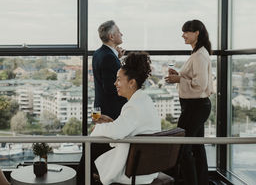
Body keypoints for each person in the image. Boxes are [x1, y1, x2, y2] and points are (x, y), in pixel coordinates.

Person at [78, 52, 161, 185]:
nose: (115, 83)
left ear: (131, 83)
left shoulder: (133, 106)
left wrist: (99, 127)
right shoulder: (144, 100)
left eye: (118, 79)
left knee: (91, 150)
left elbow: (117, 132)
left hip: (135, 171)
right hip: (146, 167)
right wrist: (112, 123)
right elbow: (129, 128)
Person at [165, 19, 213, 185]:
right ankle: (201, 182)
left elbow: (200, 85)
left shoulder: (199, 55)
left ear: (197, 33)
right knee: (196, 147)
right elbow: (195, 79)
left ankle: (190, 182)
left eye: (186, 32)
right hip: (196, 105)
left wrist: (178, 78)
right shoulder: (197, 53)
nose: (183, 35)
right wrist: (179, 75)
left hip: (195, 106)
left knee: (183, 147)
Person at [93, 20, 127, 120]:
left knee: (99, 134)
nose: (121, 34)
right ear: (111, 37)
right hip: (110, 111)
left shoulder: (98, 53)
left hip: (99, 107)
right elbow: (111, 88)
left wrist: (117, 58)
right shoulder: (109, 57)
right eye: (118, 31)